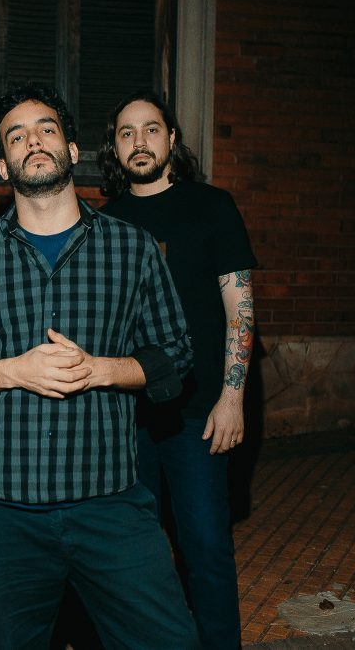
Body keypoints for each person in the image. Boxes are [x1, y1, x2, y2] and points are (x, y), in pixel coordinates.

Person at [0, 82, 201, 650]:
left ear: (71, 149)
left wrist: (101, 370)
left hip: (109, 505)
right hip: (1, 514)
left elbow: (176, 352)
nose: (34, 141)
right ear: (3, 164)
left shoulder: (132, 249)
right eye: (16, 136)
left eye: (46, 129)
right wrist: (13, 371)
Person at [98, 90, 256, 649]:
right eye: (126, 133)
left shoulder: (212, 207)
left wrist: (232, 398)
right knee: (131, 556)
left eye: (150, 129)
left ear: (171, 138)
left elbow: (241, 312)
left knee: (205, 549)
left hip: (197, 414)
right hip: (126, 418)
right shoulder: (105, 222)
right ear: (115, 148)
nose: (139, 141)